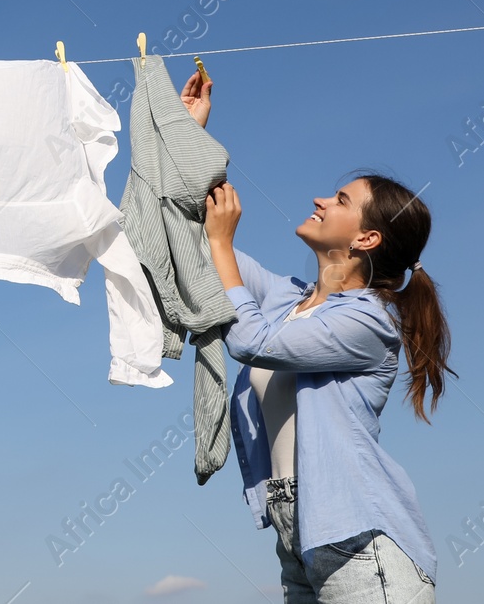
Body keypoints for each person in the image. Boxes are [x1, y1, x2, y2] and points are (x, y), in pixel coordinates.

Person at [182, 69, 449, 603]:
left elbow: (253, 341)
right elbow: (202, 240)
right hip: (298, 539)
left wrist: (220, 244)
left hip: (360, 546)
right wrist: (192, 137)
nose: (321, 201)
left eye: (341, 200)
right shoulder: (288, 298)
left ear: (366, 237)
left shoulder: (370, 321)